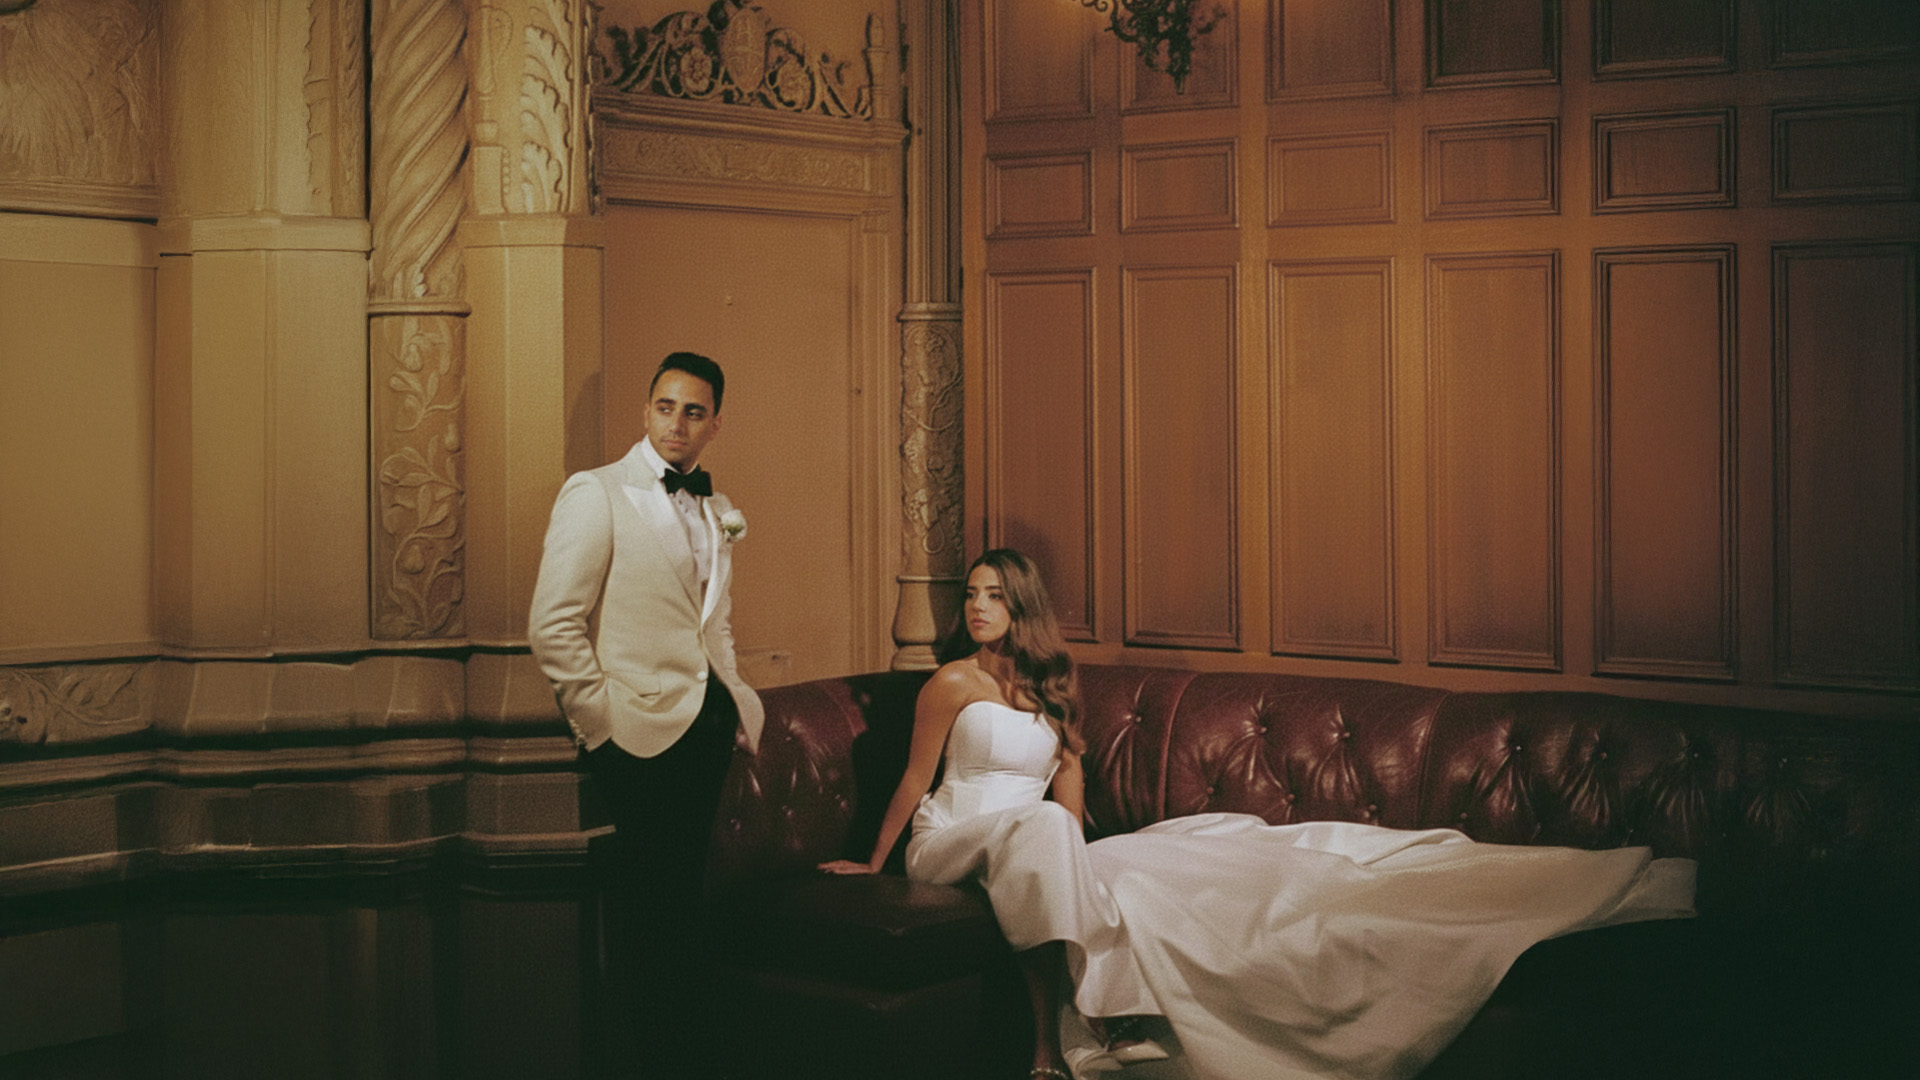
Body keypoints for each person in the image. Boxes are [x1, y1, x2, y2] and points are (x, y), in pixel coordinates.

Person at [823, 548, 1696, 1080]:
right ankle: (1059, 1042)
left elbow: (1069, 794)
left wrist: (1088, 852)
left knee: (1226, 854)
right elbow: (916, 781)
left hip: (1036, 840)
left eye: (993, 596)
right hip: (954, 838)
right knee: (1046, 832)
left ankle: (1111, 1007)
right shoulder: (952, 683)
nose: (977, 608)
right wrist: (875, 863)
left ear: (1022, 608)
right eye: (971, 595)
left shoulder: (1054, 683)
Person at [529, 351, 763, 1077]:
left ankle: (688, 1059)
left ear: (715, 424)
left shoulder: (719, 509)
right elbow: (553, 625)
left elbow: (713, 623)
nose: (677, 424)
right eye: (665, 407)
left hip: (707, 729)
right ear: (646, 411)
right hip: (632, 735)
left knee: (685, 908)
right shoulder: (596, 492)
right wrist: (601, 728)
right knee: (653, 914)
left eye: (694, 412)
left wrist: (732, 700)